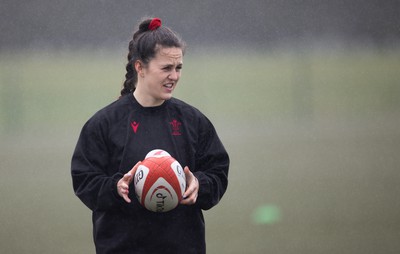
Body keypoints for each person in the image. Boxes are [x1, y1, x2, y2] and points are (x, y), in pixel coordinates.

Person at [71, 17, 230, 254]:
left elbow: (217, 171)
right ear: (140, 67)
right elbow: (84, 180)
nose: (174, 76)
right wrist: (116, 188)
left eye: (178, 68)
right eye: (166, 68)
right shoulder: (104, 124)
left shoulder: (193, 121)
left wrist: (200, 184)